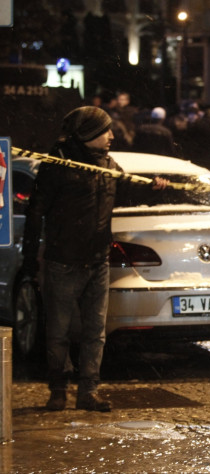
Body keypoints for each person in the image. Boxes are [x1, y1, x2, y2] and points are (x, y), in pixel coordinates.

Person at [21, 106, 167, 412]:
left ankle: (88, 391)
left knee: (94, 332)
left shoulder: (108, 164)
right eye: (105, 131)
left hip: (98, 261)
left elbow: (127, 190)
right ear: (88, 134)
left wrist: (152, 189)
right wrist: (31, 258)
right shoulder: (57, 164)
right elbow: (36, 211)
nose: (112, 136)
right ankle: (58, 390)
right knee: (58, 332)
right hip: (62, 262)